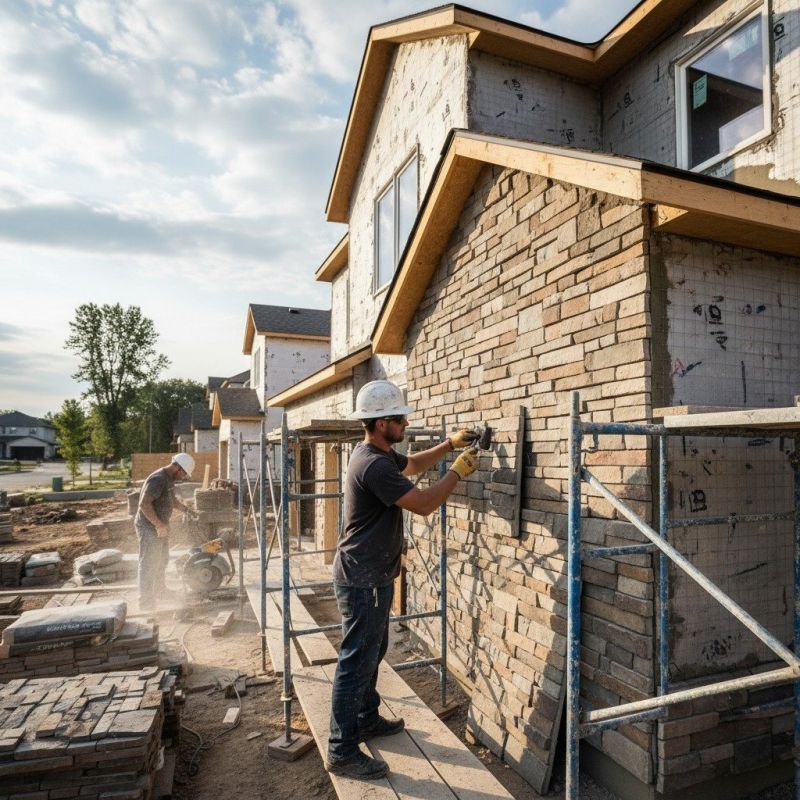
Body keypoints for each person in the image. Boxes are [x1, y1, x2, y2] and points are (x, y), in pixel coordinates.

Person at [326, 380, 481, 780]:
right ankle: (342, 750)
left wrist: (449, 445)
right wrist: (459, 473)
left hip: (369, 574)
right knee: (356, 662)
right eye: (399, 419)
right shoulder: (374, 465)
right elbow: (426, 504)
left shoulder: (378, 453)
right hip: (363, 579)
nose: (405, 423)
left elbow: (412, 465)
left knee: (373, 652)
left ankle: (366, 716)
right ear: (380, 424)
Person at [134, 452, 195, 610]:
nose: (183, 477)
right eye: (184, 474)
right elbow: (144, 504)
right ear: (178, 468)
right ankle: (146, 602)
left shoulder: (169, 479)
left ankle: (160, 591)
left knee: (162, 560)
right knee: (149, 563)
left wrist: (184, 509)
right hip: (149, 526)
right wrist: (158, 525)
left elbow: (171, 499)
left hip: (160, 525)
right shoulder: (158, 479)